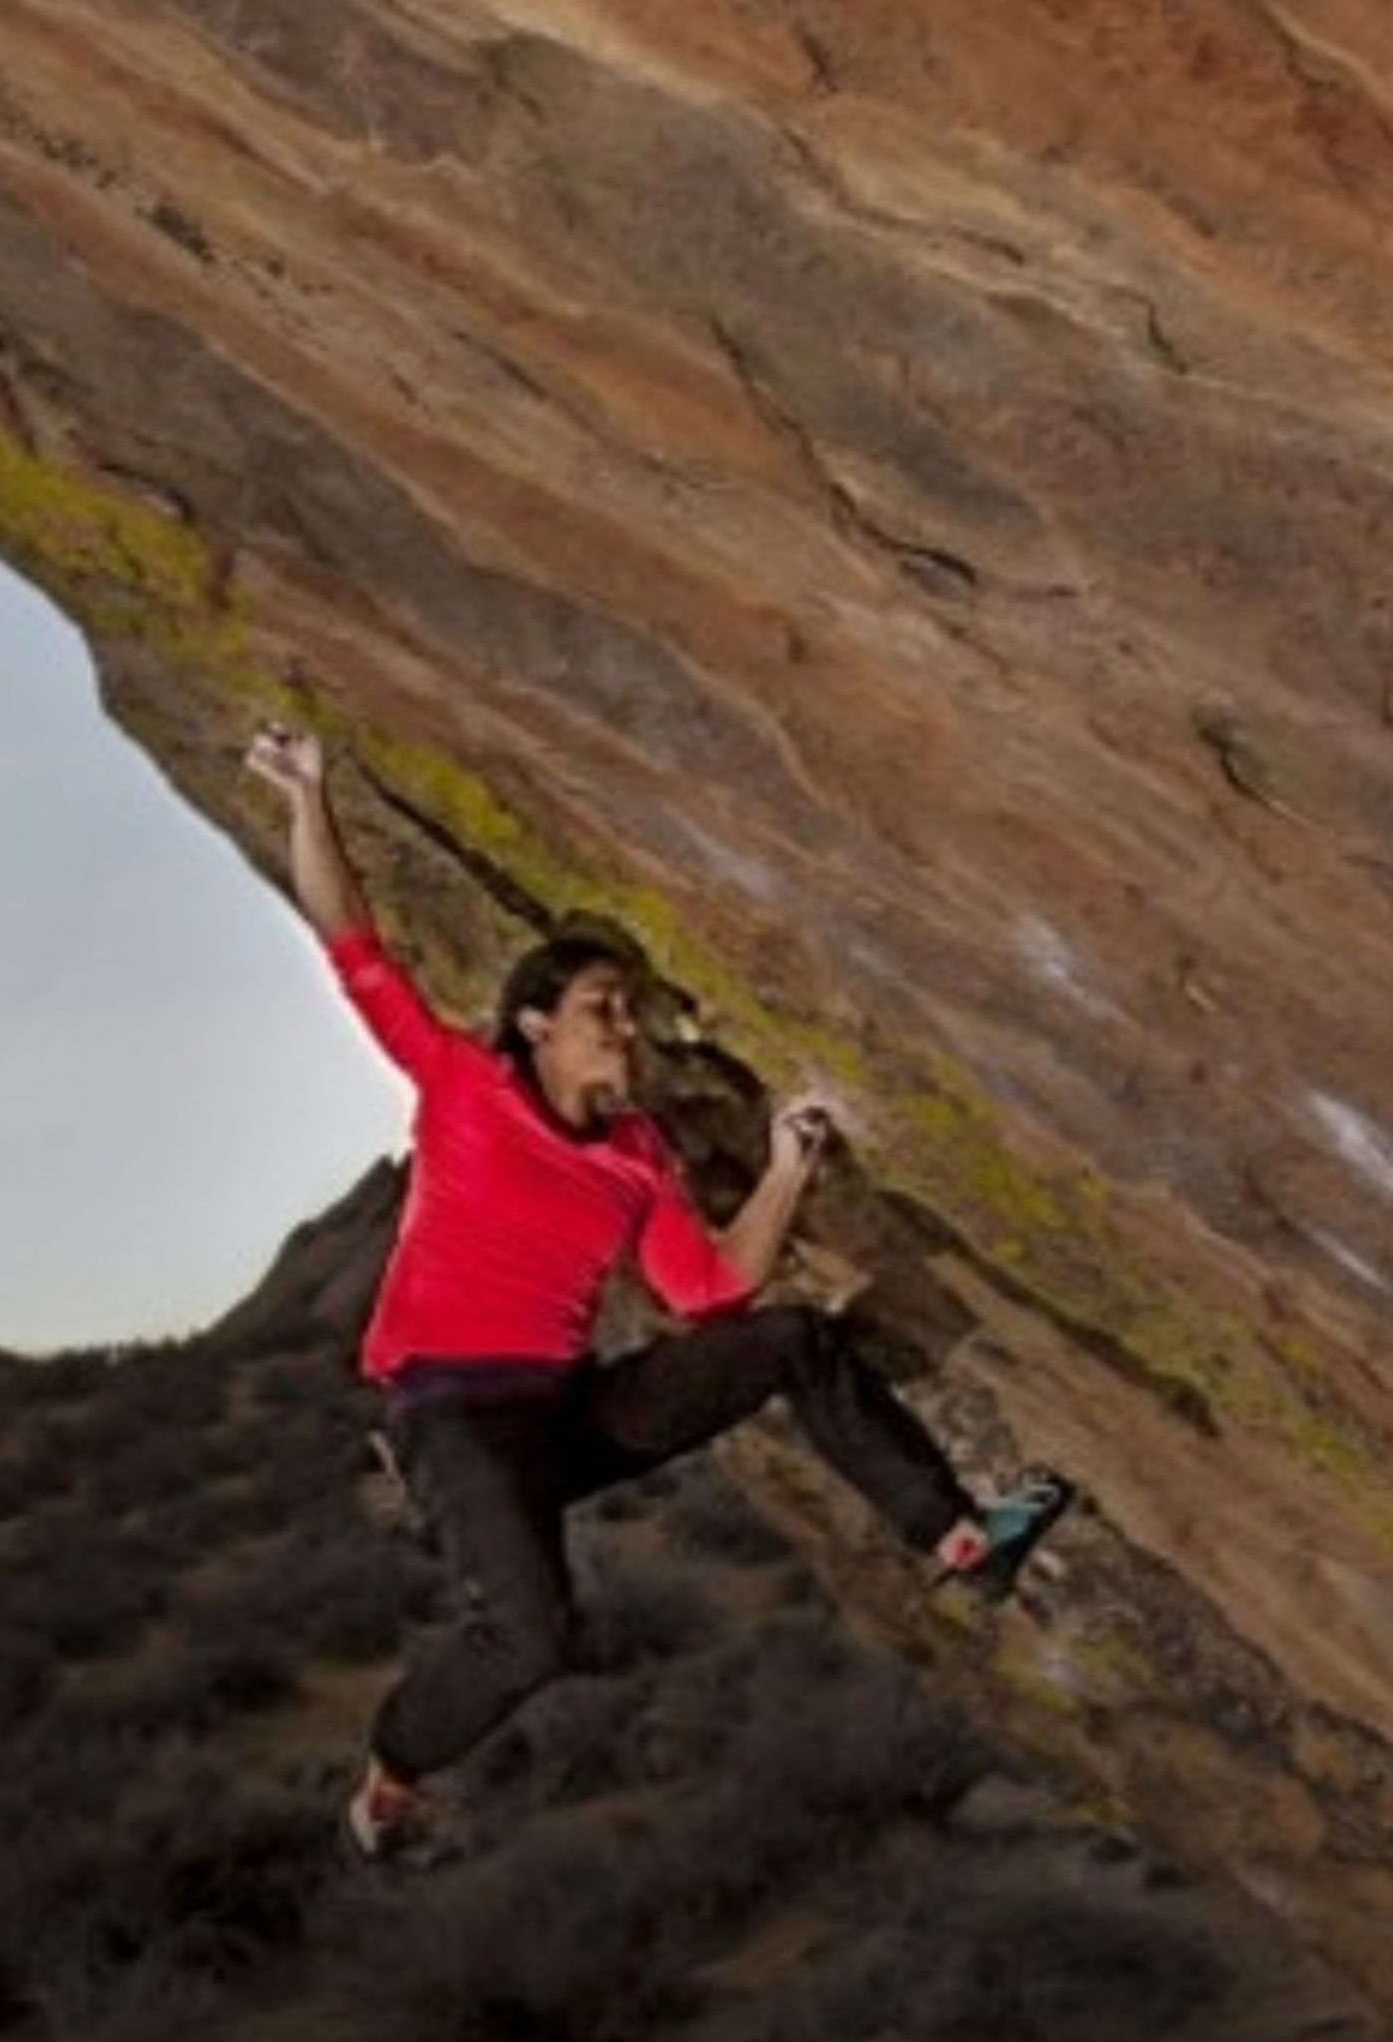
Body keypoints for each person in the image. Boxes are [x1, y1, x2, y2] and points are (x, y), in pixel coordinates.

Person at [244, 721, 1075, 1864]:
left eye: (632, 1011)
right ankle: (392, 1772)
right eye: (603, 1007)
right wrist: (307, 793)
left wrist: (785, 1169)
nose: (626, 1030)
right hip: (454, 1419)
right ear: (536, 1024)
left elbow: (711, 1287)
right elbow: (354, 946)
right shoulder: (465, 1083)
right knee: (531, 1637)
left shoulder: (636, 1152)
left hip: (565, 1413)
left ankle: (958, 1539)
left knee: (789, 1339)